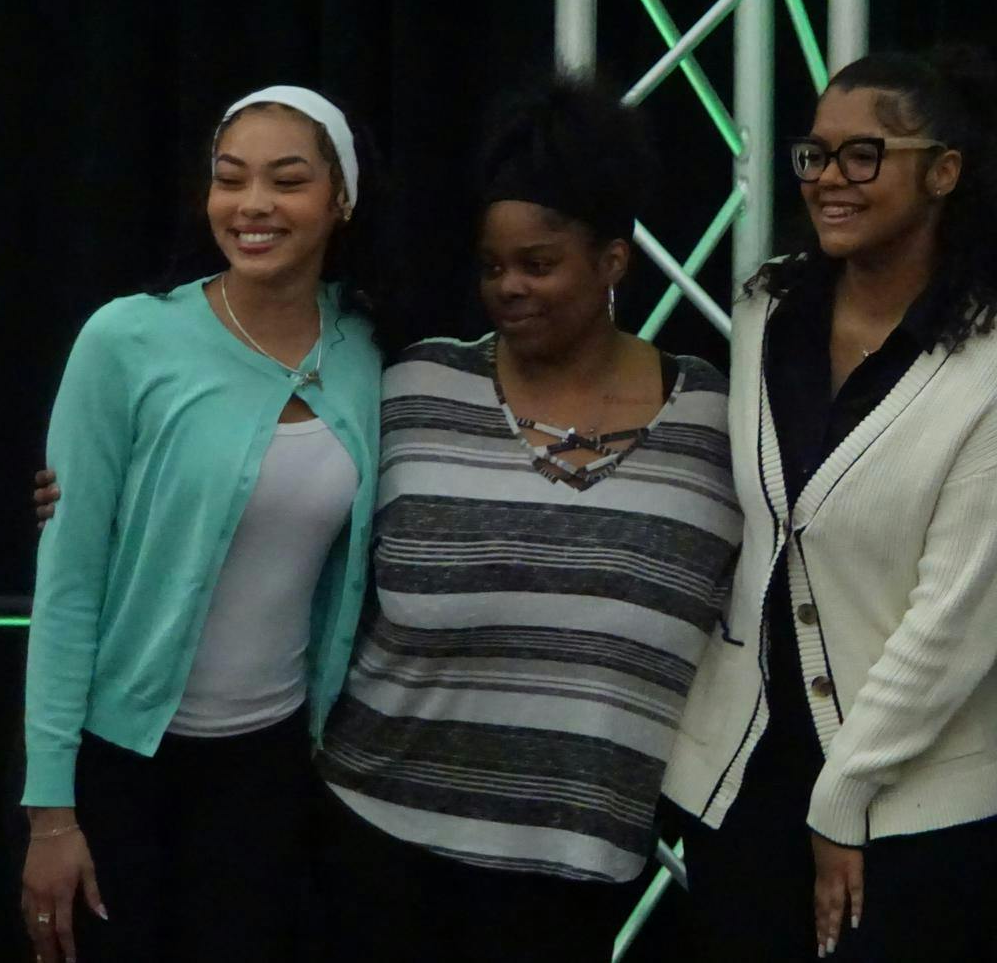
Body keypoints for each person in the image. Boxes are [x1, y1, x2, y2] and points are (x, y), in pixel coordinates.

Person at [306, 78, 743, 962]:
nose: (508, 287)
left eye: (538, 264)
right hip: (381, 839)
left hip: (579, 864)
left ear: (613, 261)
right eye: (491, 265)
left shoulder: (715, 421)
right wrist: (99, 494)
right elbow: (277, 491)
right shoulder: (417, 389)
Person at [661, 47, 997, 963]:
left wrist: (846, 792)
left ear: (944, 171)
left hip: (918, 802)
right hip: (748, 774)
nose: (830, 178)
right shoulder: (768, 306)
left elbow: (955, 617)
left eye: (863, 155)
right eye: (815, 154)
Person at [21, 89, 385, 963]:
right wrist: (50, 812)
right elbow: (68, 586)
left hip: (274, 765)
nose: (252, 204)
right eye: (230, 179)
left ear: (342, 198)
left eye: (287, 180)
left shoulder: (370, 347)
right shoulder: (126, 339)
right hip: (119, 764)